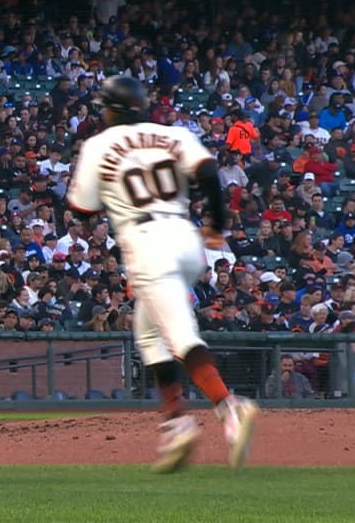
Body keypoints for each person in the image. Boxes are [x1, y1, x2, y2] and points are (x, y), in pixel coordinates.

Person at [67, 75, 259, 473]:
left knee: (178, 335)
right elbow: (208, 172)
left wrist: (113, 193)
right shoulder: (170, 133)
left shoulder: (98, 145)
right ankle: (177, 424)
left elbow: (82, 210)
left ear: (108, 110)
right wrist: (218, 224)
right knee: (149, 333)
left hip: (147, 241)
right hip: (187, 239)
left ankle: (229, 406)